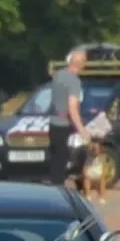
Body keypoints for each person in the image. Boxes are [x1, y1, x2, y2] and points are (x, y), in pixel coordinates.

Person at [43, 50, 90, 190]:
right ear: (81, 64)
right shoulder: (74, 81)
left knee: (56, 158)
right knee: (64, 158)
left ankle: (54, 187)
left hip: (53, 123)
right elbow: (72, 107)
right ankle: (61, 190)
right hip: (65, 124)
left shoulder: (58, 75)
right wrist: (82, 130)